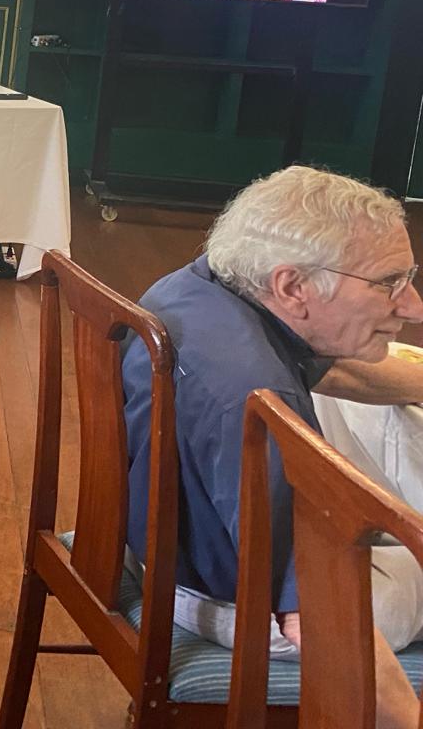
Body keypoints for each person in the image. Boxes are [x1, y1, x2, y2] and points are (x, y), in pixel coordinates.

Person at [124, 166, 423, 729]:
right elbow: (318, 616)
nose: (413, 307)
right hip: (235, 605)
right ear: (293, 287)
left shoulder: (207, 285)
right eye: (388, 284)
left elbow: (333, 370)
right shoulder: (260, 402)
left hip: (167, 544)